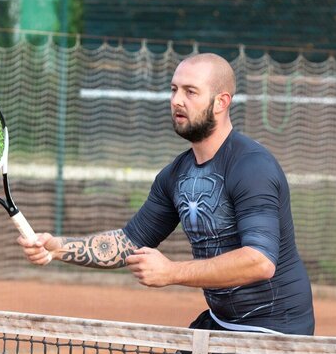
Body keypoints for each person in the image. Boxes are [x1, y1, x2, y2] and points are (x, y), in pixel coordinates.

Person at [18, 52, 315, 336]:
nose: (176, 101)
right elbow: (129, 242)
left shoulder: (251, 167)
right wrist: (58, 248)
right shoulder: (174, 175)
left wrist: (171, 272)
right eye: (174, 90)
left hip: (277, 331)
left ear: (221, 102)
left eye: (190, 92)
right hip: (221, 324)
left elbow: (259, 261)